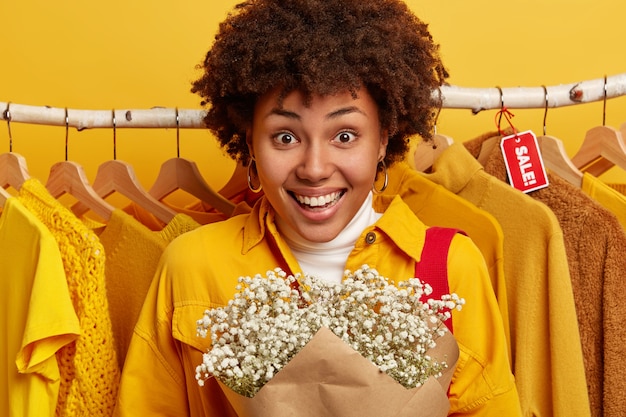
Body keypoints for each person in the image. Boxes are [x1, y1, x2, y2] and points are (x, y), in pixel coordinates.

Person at [114, 0, 521, 415]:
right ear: (250, 140)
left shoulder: (449, 268)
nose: (314, 169)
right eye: (285, 137)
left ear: (383, 139)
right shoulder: (190, 266)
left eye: (344, 135)